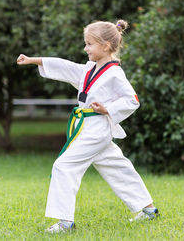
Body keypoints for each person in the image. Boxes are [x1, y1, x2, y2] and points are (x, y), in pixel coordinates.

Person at [16, 19, 159, 233]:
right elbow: (67, 67)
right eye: (86, 43)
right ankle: (149, 210)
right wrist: (32, 60)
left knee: (64, 166)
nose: (85, 48)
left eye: (89, 44)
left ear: (106, 46)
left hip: (96, 128)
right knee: (118, 167)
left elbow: (132, 100)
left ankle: (65, 223)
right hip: (89, 128)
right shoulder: (91, 68)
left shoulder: (114, 73)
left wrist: (108, 109)